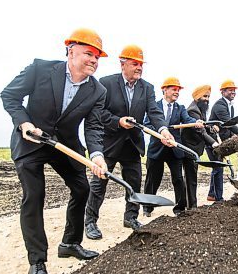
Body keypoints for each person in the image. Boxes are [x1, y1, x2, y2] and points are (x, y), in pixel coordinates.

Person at [0, 28, 109, 274]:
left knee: (82, 188)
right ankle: (37, 263)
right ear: (71, 52)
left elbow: (93, 127)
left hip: (65, 145)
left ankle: (70, 243)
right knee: (34, 195)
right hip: (32, 141)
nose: (94, 60)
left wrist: (96, 155)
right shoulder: (40, 69)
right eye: (89, 54)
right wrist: (24, 123)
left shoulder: (98, 90)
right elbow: (9, 96)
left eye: (97, 57)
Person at [85, 45, 174, 236]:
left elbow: (155, 112)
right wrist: (118, 121)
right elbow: (99, 113)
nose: (139, 68)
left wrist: (163, 129)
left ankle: (131, 217)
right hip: (109, 142)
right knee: (99, 183)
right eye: (135, 64)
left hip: (133, 143)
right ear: (122, 64)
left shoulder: (147, 88)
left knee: (134, 182)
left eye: (141, 64)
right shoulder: (106, 83)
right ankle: (90, 222)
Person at [142, 78, 204, 217]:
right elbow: (147, 124)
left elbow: (187, 120)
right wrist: (161, 134)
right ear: (165, 89)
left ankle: (179, 208)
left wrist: (196, 122)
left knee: (178, 179)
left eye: (178, 90)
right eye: (174, 89)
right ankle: (148, 207)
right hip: (157, 148)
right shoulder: (154, 106)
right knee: (153, 179)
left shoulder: (180, 108)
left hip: (174, 149)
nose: (177, 92)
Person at [206, 80, 238, 202]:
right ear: (222, 92)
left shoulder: (229, 105)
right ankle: (219, 198)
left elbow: (228, 126)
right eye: (229, 89)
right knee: (218, 167)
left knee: (217, 167)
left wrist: (233, 135)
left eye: (234, 90)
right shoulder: (220, 105)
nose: (233, 91)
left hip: (221, 141)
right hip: (212, 141)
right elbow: (229, 123)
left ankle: (212, 194)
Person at [181, 85, 219, 209]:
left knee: (191, 177)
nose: (207, 99)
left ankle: (190, 205)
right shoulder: (193, 110)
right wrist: (214, 143)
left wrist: (211, 128)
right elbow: (200, 131)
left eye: (208, 96)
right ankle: (192, 206)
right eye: (204, 96)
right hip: (189, 149)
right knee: (191, 178)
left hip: (195, 148)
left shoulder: (200, 109)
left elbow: (204, 126)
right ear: (197, 97)